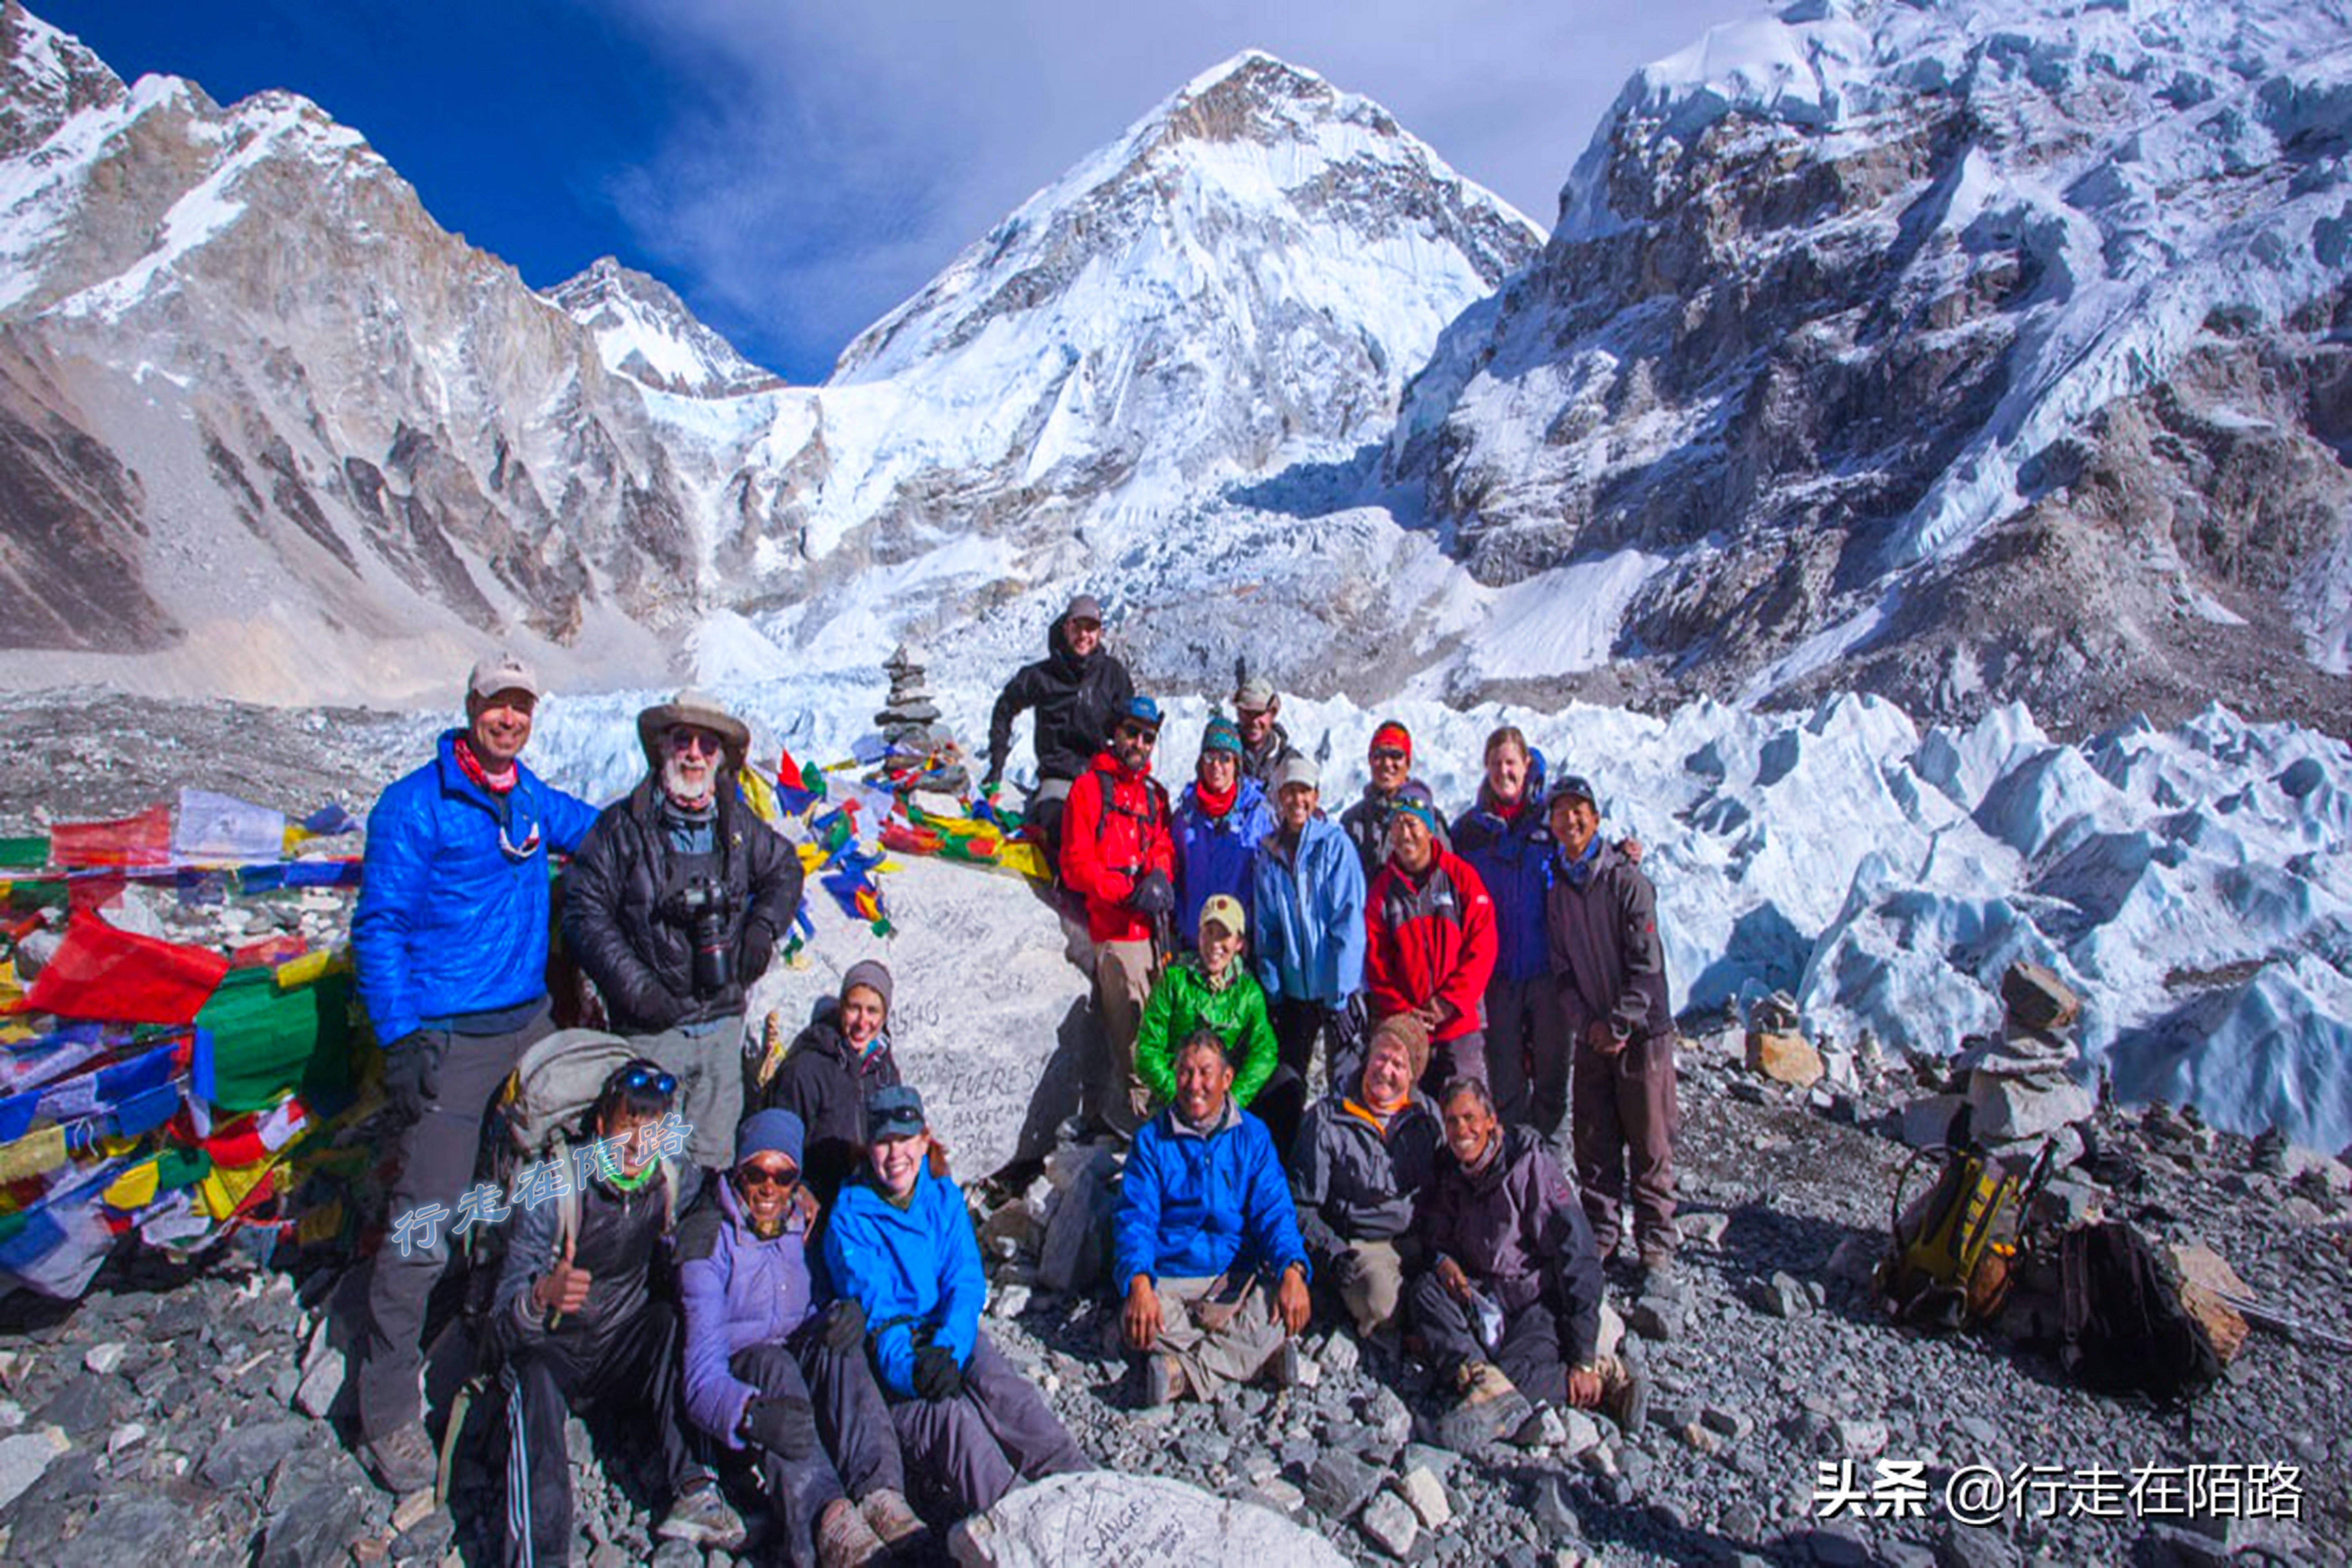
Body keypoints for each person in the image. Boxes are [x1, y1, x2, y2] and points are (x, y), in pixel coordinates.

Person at [350, 651, 601, 1494]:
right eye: (498, 705)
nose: (509, 719)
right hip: (451, 1036)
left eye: (522, 706)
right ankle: (384, 1407)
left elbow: (600, 829)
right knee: (424, 1218)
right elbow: (379, 922)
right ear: (471, 707)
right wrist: (402, 1035)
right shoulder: (415, 807)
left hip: (528, 1021)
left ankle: (512, 1321)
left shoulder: (527, 797)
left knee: (555, 1168)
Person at [496, 1061, 745, 1562]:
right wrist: (542, 1294)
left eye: (652, 1132)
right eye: (628, 1129)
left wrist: (706, 1222)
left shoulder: (669, 1176)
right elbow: (501, 1324)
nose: (638, 1147)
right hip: (555, 1350)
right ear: (602, 1126)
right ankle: (538, 1555)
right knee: (532, 1378)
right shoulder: (554, 1188)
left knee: (672, 1325)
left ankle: (696, 1487)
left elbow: (714, 1197)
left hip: (621, 1344)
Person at [564, 690, 804, 1174]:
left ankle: (695, 1250)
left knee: (712, 1161)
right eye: (683, 740)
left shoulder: (737, 826)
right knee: (640, 1166)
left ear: (720, 758)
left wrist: (761, 929)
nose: (695, 753)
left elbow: (786, 870)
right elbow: (583, 911)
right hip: (652, 1033)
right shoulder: (622, 829)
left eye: (707, 745)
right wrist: (638, 989)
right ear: (663, 749)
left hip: (721, 1030)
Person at [823, 1087, 1090, 1518]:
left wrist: (950, 1346)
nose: (896, 1155)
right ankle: (1015, 1518)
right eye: (884, 1142)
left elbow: (964, 1283)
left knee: (1006, 1391)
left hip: (946, 1333)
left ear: (924, 1141)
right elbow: (875, 1309)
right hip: (894, 1361)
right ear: (867, 1148)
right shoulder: (849, 1218)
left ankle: (1082, 1481)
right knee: (952, 1422)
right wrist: (914, 1372)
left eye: (905, 1140)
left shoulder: (943, 1197)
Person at [678, 1109, 924, 1568]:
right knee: (775, 1367)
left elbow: (810, 1306)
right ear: (738, 1172)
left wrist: (838, 1315)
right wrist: (748, 1414)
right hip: (747, 1382)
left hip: (792, 1355)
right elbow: (699, 1380)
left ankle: (882, 1494)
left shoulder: (799, 1224)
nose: (769, 1190)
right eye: (757, 1174)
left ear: (796, 1181)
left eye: (783, 1176)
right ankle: (825, 1521)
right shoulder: (709, 1241)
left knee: (839, 1347)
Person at [1410, 1078, 1644, 1450]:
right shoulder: (1451, 1169)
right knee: (1423, 1292)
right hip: (1483, 1297)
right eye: (1451, 1122)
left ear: (1491, 1121)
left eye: (1469, 1118)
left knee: (1519, 1373)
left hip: (1533, 1303)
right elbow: (1437, 1231)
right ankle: (1484, 1381)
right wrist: (1443, 1261)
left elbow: (1577, 1253)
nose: (1461, 1131)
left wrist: (1581, 1354)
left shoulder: (1529, 1166)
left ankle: (1598, 1375)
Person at [1116, 1029, 1313, 1404]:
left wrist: (1292, 1268)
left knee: (1281, 1301)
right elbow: (1135, 1218)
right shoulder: (1151, 1140)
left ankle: (1183, 1374)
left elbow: (1274, 1210)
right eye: (1186, 1073)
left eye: (1206, 1073)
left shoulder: (1253, 1137)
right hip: (1171, 1273)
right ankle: (1253, 1358)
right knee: (1137, 1319)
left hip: (1234, 1273)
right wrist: (1140, 1280)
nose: (1195, 1085)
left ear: (1227, 1079)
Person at [1544, 772, 1679, 1275]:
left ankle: (1656, 1241)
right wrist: (1589, 1026)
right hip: (1594, 1034)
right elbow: (1561, 971)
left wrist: (1619, 1024)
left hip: (1643, 1034)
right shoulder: (1558, 891)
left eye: (1579, 810)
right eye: (1561, 813)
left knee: (1649, 1142)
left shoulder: (1626, 879)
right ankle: (1602, 1233)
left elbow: (1648, 966)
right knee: (1594, 1140)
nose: (1570, 820)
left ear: (1596, 819)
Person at [1059, 694, 1177, 1137]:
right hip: (1116, 929)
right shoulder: (1089, 790)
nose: (1140, 743)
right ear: (1116, 733)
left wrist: (1160, 876)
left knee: (1162, 1028)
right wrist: (1127, 892)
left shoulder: (1153, 795)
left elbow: (1162, 844)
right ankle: (1139, 1123)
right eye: (1133, 733)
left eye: (1149, 737)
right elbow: (1076, 863)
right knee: (1132, 1035)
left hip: (1154, 930)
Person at [1289, 1015, 1442, 1338]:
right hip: (1361, 1244)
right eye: (1381, 1057)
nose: (1385, 1071)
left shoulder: (1427, 1116)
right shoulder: (1328, 1118)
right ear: (1367, 1056)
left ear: (1413, 1075)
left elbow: (1444, 1188)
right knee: (1379, 1304)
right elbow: (1300, 1204)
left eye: (1398, 1064)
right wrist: (1331, 1252)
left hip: (1417, 1237)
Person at [1451, 726, 1570, 1136]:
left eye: (1511, 763)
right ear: (1487, 767)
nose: (1505, 771)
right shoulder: (1469, 831)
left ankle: (1550, 1171)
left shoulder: (1549, 822)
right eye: (1497, 763)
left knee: (1553, 1081)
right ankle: (1518, 1165)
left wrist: (1624, 853)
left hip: (1547, 973)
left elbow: (1581, 855)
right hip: (1496, 976)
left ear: (1526, 766)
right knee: (1505, 1082)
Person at [1134, 896, 1306, 1154]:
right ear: (1199, 935)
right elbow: (1147, 1051)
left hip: (1226, 1099)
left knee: (1286, 1084)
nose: (1215, 944)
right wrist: (1183, 1096)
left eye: (1224, 936)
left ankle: (1277, 1169)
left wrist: (1231, 1101)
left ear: (1239, 943)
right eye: (1209, 933)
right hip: (1178, 1098)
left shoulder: (1248, 992)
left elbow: (1265, 1052)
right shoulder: (1174, 981)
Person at [983, 593, 1135, 867]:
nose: (1084, 636)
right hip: (1059, 779)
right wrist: (997, 765)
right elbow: (1005, 707)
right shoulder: (1041, 677)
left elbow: (1131, 728)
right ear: (1066, 627)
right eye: (1078, 627)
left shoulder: (1113, 676)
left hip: (1101, 780)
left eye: (1091, 629)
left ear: (1100, 633)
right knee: (1064, 832)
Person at [1251, 754, 1367, 1105]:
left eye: (1304, 791)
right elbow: (1267, 930)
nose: (1296, 800)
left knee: (1345, 1082)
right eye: (1289, 791)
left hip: (1334, 988)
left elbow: (1347, 924)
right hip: (1293, 992)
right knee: (1286, 1080)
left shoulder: (1334, 846)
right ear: (1278, 797)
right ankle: (1286, 1154)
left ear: (1316, 796)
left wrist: (1342, 994)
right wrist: (1272, 990)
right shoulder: (1269, 855)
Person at [1364, 797, 1497, 1092]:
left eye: (1412, 824)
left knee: (1466, 1106)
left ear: (1430, 830)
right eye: (1397, 827)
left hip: (1460, 1022)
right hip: (1407, 1027)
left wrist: (1450, 1001)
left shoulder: (1460, 877)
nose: (1404, 835)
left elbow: (1482, 945)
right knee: (1411, 1114)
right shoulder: (1382, 892)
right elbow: (1377, 962)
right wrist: (1405, 1011)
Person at [745, 959, 902, 1205]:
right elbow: (778, 1146)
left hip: (867, 1201)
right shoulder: (807, 1068)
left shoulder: (885, 1070)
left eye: (872, 1011)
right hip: (815, 1201)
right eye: (854, 1008)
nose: (862, 1023)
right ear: (841, 1009)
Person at [1172, 715, 1276, 948]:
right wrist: (1180, 922)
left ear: (1237, 765)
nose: (1216, 766)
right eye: (1210, 757)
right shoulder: (1186, 816)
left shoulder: (1256, 816)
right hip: (1194, 943)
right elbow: (1174, 875)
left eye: (1225, 758)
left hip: (1238, 946)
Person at [1339, 720, 1444, 879]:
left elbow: (1447, 876)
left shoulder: (1430, 820)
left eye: (1396, 756)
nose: (1387, 764)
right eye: (1379, 755)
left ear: (1408, 763)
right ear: (1370, 761)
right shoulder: (1352, 822)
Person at [1232, 673, 1299, 791]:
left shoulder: (1289, 762)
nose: (1254, 721)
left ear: (1273, 713)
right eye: (1247, 713)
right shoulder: (1224, 756)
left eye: (1259, 713)